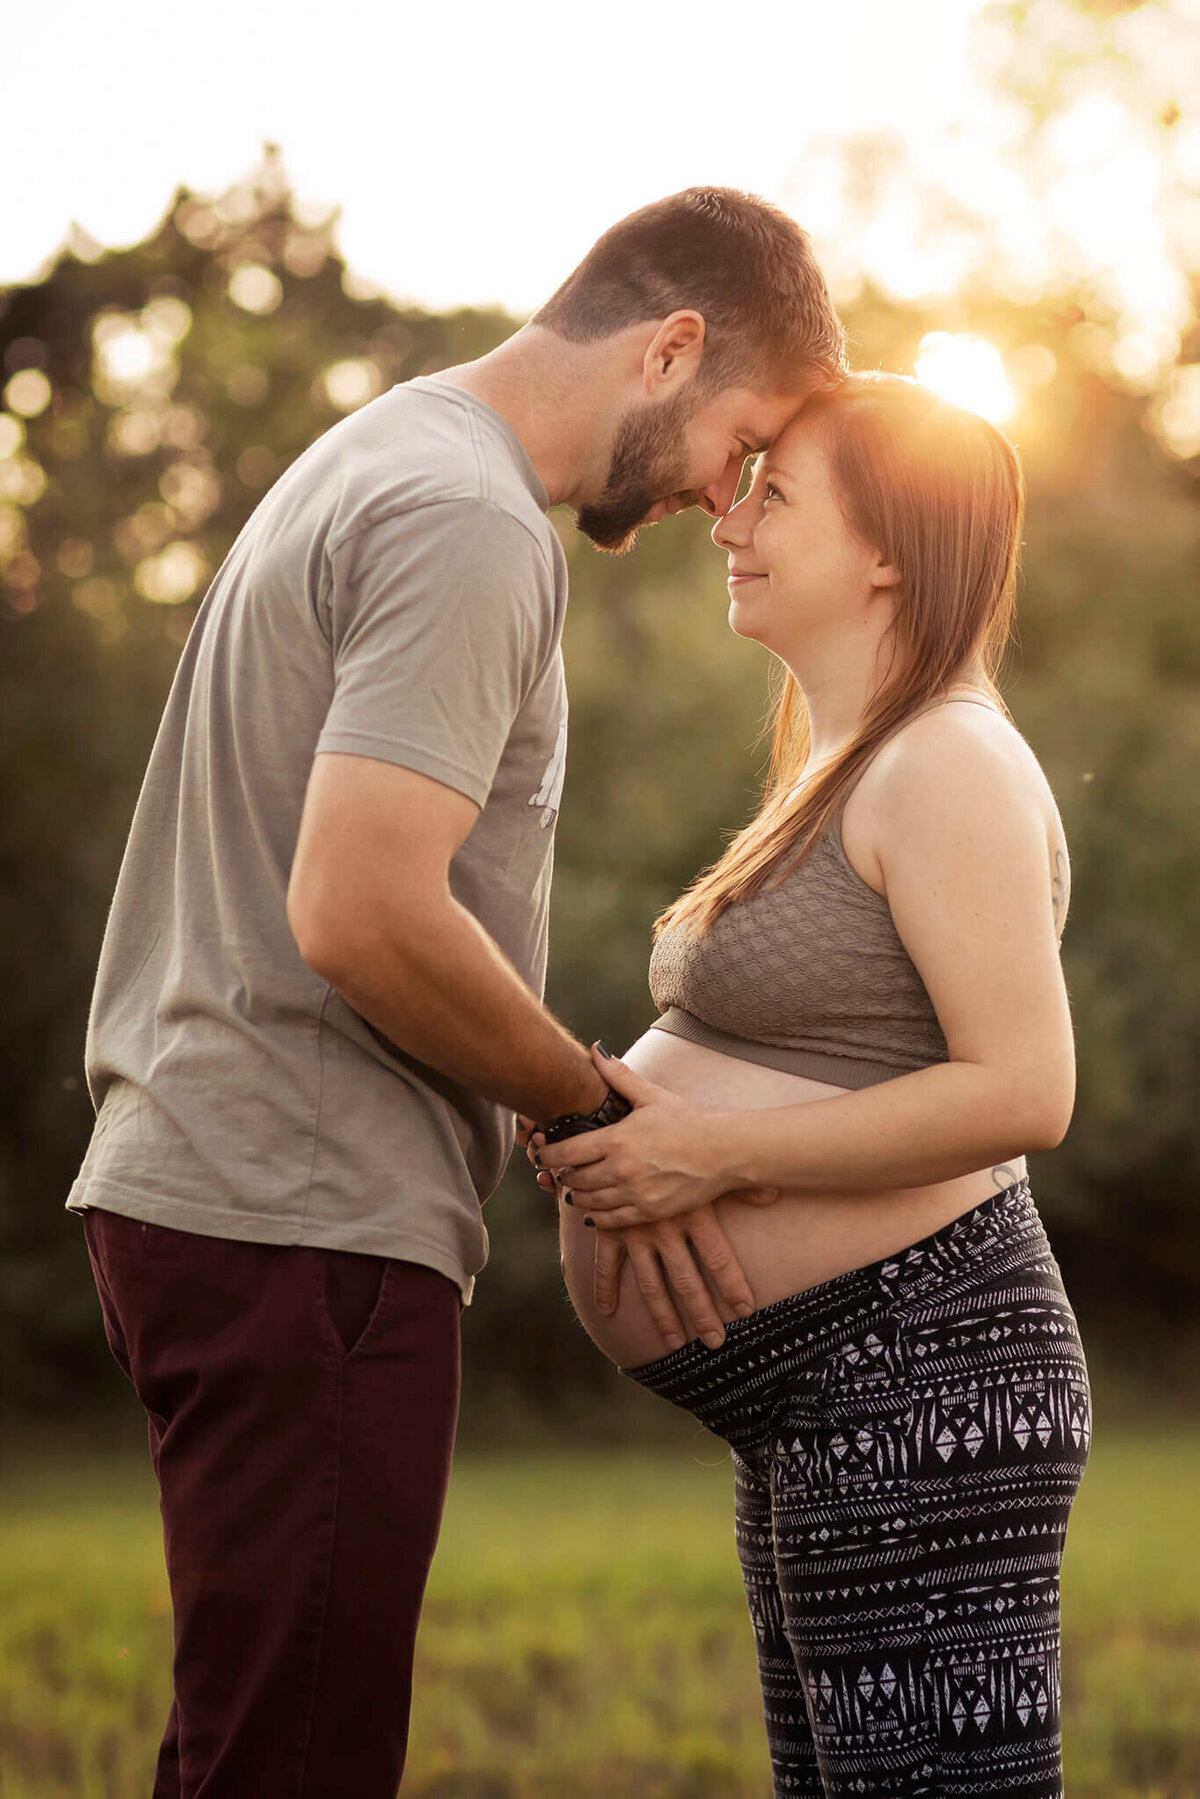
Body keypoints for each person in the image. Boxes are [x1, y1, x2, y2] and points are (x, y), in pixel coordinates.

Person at [66, 187, 844, 1799]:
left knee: (243, 1746)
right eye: (743, 440)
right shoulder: (470, 520)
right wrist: (585, 1104)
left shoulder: (380, 453)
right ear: (672, 348)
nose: (727, 497)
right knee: (299, 1763)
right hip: (304, 1217)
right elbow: (359, 909)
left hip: (220, 1194)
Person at [533, 373, 1091, 1798]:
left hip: (925, 1373)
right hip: (840, 1391)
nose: (730, 517)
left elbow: (1026, 1089)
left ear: (891, 549)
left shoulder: (947, 759)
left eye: (776, 493)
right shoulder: (848, 765)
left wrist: (712, 1158)